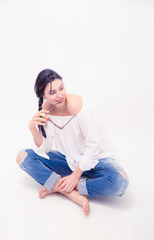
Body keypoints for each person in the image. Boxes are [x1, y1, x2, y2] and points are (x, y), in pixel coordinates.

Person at [16, 68, 129, 216]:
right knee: (23, 157)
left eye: (61, 88)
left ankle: (57, 187)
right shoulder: (47, 110)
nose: (60, 95)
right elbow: (46, 147)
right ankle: (71, 193)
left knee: (120, 182)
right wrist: (32, 128)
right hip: (71, 160)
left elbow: (93, 145)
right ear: (42, 95)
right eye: (52, 92)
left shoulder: (76, 106)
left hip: (98, 159)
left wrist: (75, 177)